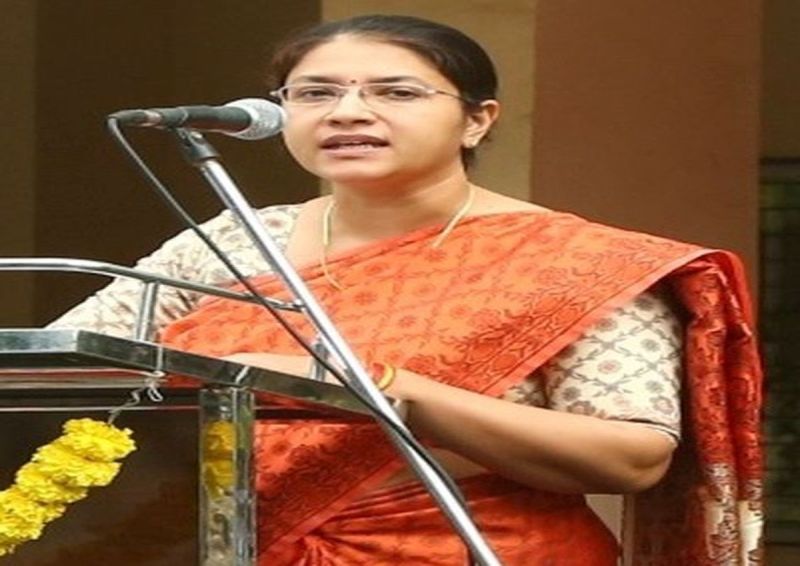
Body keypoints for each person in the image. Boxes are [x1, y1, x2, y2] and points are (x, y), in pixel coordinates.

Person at [50, 14, 763, 565]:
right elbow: (61, 366)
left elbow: (633, 457)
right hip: (229, 548)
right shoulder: (231, 240)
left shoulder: (575, 262)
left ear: (477, 119)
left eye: (396, 92)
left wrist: (387, 388)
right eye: (315, 93)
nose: (347, 113)